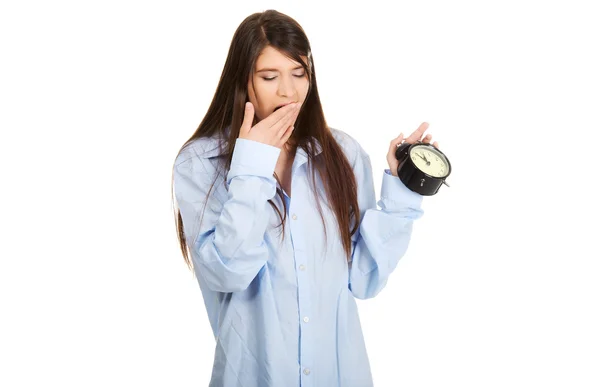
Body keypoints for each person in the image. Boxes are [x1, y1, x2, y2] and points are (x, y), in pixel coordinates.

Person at [171, 9, 440, 387]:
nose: (288, 91)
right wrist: (251, 165)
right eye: (269, 77)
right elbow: (227, 271)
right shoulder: (200, 163)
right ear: (242, 80)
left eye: (299, 74)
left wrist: (402, 190)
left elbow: (364, 279)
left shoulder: (342, 153)